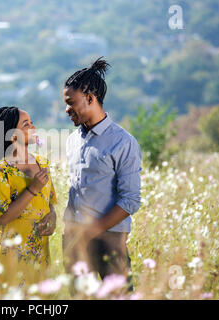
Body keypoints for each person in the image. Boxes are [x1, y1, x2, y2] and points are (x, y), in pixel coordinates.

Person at [62, 57, 142, 292]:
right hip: (74, 240)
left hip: (110, 241)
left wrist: (92, 231)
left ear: (90, 98)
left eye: (70, 102)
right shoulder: (72, 140)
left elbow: (130, 201)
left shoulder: (124, 142)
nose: (67, 109)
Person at [0, 106, 58, 288]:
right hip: (9, 256)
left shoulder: (42, 162)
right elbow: (2, 218)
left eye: (31, 123)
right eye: (26, 124)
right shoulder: (0, 171)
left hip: (40, 253)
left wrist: (53, 216)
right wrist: (32, 189)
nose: (33, 127)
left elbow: (50, 202)